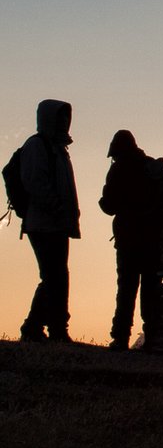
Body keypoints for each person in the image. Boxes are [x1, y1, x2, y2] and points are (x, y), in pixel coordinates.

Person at [98, 130, 163, 351]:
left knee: (126, 289)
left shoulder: (119, 169)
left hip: (129, 239)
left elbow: (109, 204)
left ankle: (120, 338)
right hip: (153, 239)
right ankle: (154, 337)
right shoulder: (151, 167)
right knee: (151, 289)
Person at [17, 99, 80, 344]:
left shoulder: (58, 148)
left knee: (56, 276)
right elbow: (35, 182)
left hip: (57, 223)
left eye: (66, 117)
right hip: (44, 223)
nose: (64, 121)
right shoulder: (37, 146)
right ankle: (49, 328)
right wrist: (56, 207)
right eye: (60, 117)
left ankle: (40, 327)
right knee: (54, 276)